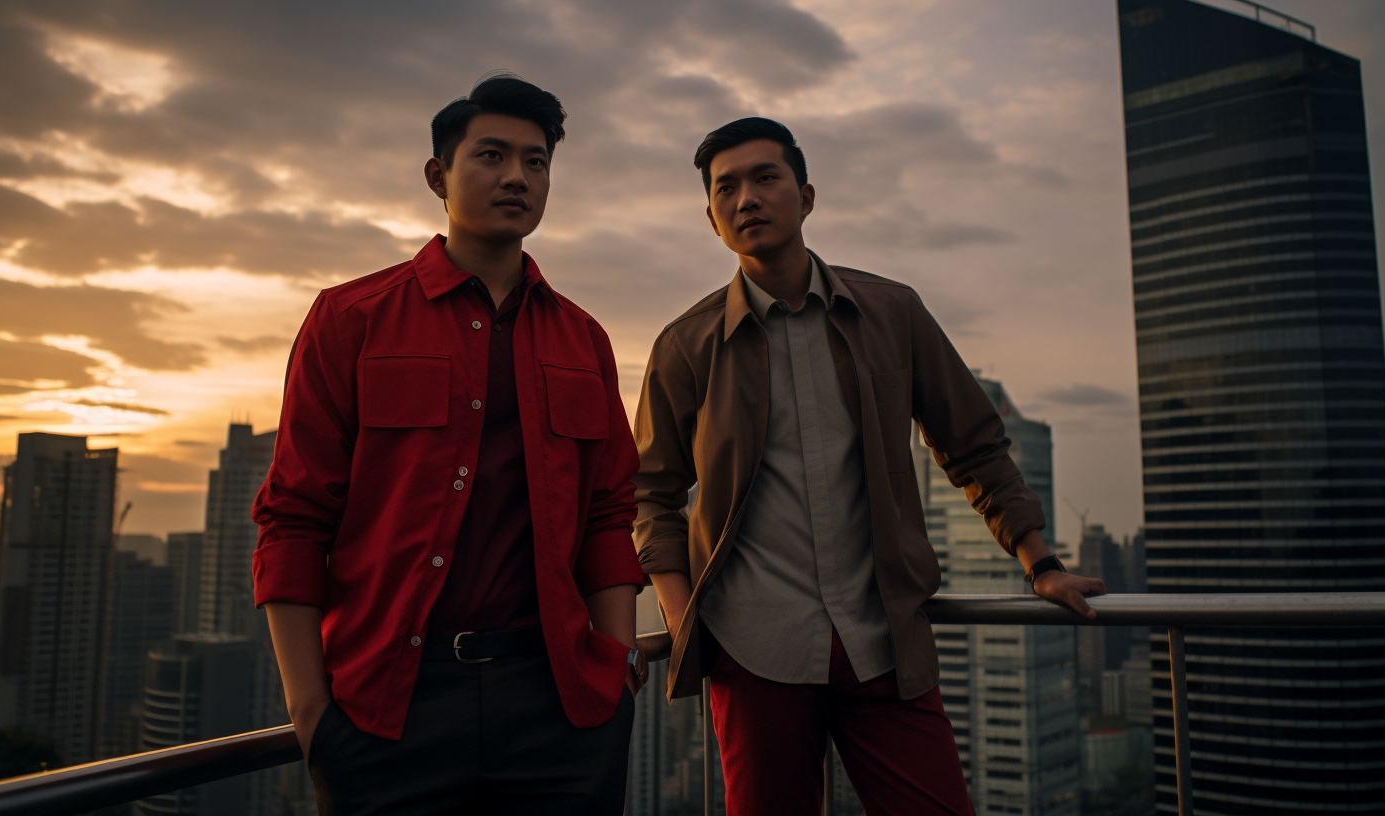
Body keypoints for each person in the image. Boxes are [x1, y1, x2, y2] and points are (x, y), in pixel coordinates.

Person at [632, 117, 1106, 816]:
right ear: (711, 219)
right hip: (754, 653)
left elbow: (975, 445)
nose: (746, 199)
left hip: (885, 646)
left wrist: (1041, 563)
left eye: (766, 178)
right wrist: (682, 619)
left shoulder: (891, 311)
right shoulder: (687, 344)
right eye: (726, 188)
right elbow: (649, 494)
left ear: (808, 195)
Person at [252, 74, 647, 816]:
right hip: (391, 709)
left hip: (559, 707)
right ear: (439, 176)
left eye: (536, 162)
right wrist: (312, 713)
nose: (516, 177)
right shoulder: (350, 319)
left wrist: (619, 657)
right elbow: (295, 517)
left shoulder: (582, 338)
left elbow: (606, 512)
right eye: (491, 156)